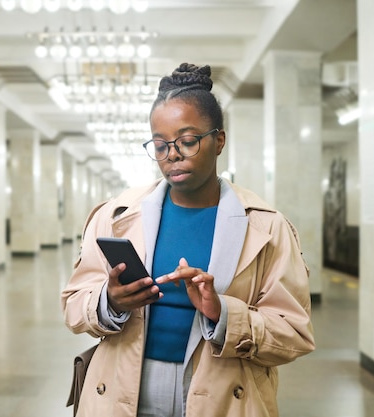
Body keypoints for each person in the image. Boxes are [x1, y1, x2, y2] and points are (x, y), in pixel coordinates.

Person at [61, 63, 315, 417]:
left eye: (188, 141)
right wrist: (111, 301)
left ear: (219, 140)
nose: (172, 155)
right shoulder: (114, 215)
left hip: (221, 392)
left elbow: (294, 334)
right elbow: (74, 306)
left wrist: (222, 313)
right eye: (160, 145)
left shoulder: (267, 228)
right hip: (125, 386)